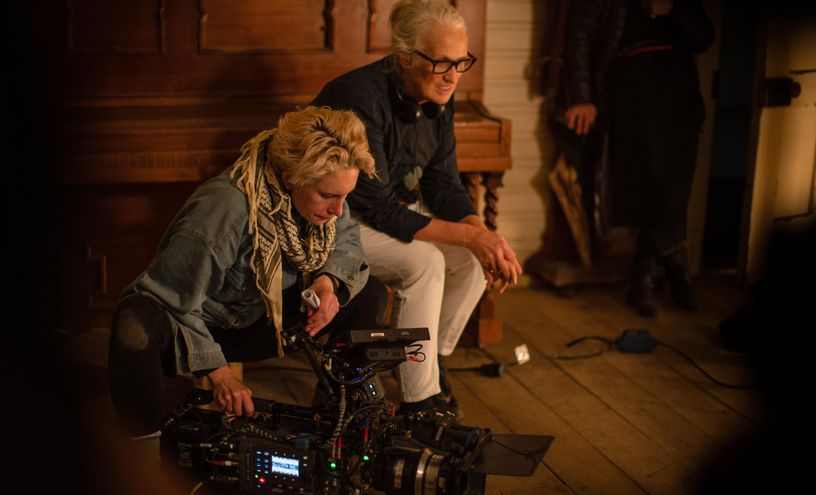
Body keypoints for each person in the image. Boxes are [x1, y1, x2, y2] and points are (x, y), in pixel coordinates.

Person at [107, 106, 386, 450]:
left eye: (346, 196)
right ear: (290, 178)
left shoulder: (327, 190)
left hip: (259, 319)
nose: (338, 210)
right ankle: (141, 455)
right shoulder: (227, 208)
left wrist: (328, 282)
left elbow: (346, 240)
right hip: (196, 329)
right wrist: (220, 373)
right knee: (134, 322)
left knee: (368, 294)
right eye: (328, 196)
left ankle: (333, 427)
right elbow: (169, 300)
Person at [312, 0, 522, 416]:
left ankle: (428, 362)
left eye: (461, 63)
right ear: (406, 56)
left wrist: (482, 235)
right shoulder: (359, 97)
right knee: (426, 262)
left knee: (470, 260)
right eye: (442, 63)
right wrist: (472, 235)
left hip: (390, 212)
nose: (453, 76)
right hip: (339, 221)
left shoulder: (439, 94)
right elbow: (379, 209)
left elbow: (443, 183)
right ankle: (419, 401)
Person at [563, 0, 714, 317]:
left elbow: (703, 37)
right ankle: (671, 260)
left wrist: (674, 7)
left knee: (676, 181)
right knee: (650, 179)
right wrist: (582, 96)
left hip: (679, 84)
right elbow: (579, 35)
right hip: (632, 82)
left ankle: (649, 269)